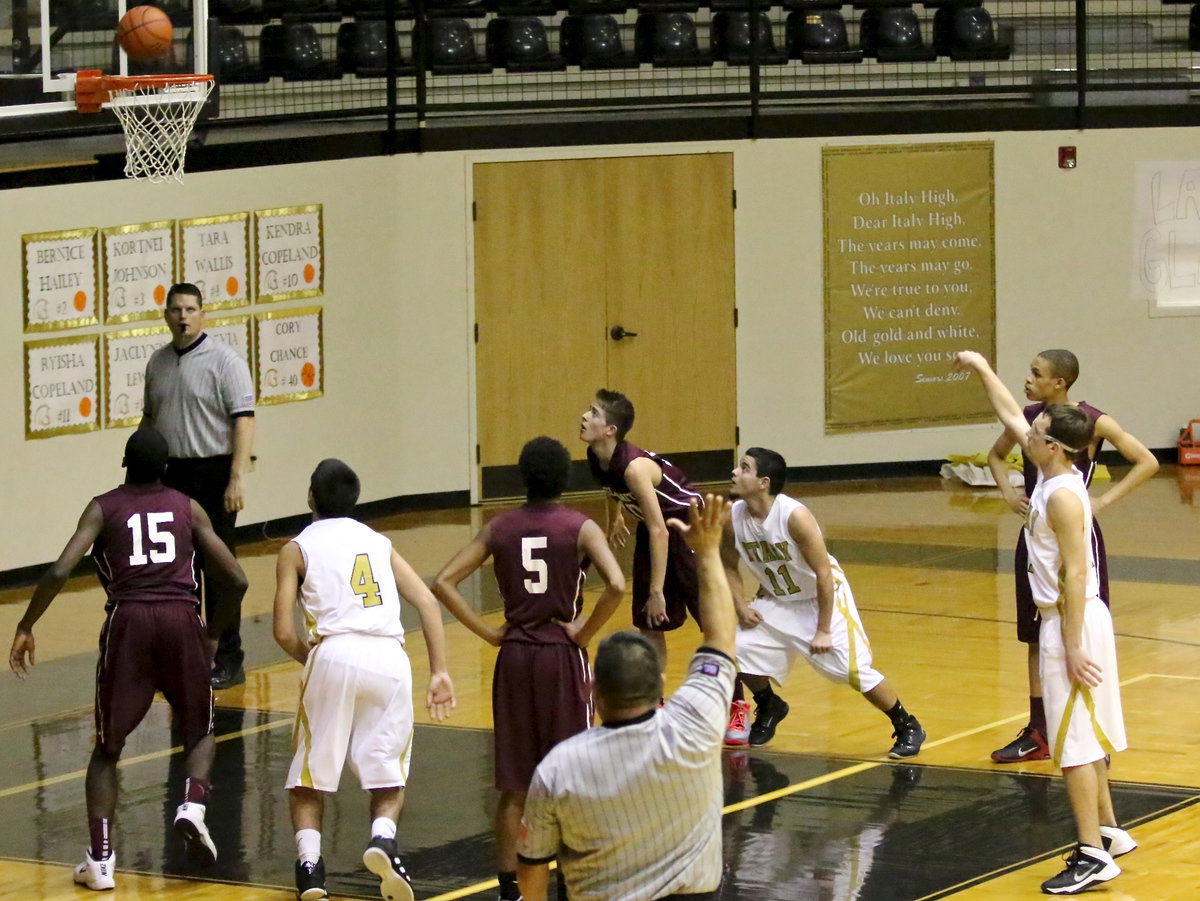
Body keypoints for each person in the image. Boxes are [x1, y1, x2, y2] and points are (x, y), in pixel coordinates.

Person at [7, 427, 248, 891]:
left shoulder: (104, 506)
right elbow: (235, 580)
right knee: (200, 732)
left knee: (108, 749)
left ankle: (100, 861)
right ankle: (192, 806)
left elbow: (60, 568)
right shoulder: (187, 506)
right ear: (165, 467)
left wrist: (26, 624)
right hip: (181, 619)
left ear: (124, 464)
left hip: (128, 624)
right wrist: (213, 634)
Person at [955, 351, 1136, 895]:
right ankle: (1108, 831)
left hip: (1072, 622)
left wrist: (1074, 644)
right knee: (1082, 733)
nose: (1024, 430)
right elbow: (1011, 411)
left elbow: (1078, 575)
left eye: (1034, 430)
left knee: (1073, 746)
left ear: (1052, 446)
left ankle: (1092, 855)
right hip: (1068, 622)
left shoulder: (1062, 497)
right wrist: (982, 369)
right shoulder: (1052, 472)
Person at [432, 436, 626, 901]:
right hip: (561, 656)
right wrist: (583, 631)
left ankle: (509, 890)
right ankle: (572, 884)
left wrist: (488, 632)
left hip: (514, 657)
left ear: (523, 477)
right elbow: (617, 584)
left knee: (515, 785)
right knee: (574, 779)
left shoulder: (499, 527)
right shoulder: (580, 526)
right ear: (565, 479)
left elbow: (442, 581)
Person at [516, 494, 737, 901]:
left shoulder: (558, 767)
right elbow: (721, 635)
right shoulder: (697, 720)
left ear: (594, 692)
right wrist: (707, 552)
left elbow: (532, 867)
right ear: (661, 686)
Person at [273, 459, 456, 901]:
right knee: (387, 772)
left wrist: (315, 662)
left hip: (333, 650)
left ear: (310, 497)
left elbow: (282, 631)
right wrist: (440, 671)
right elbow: (428, 603)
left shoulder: (296, 548)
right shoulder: (379, 542)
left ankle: (311, 869)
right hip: (388, 657)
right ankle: (383, 839)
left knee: (308, 777)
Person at [984, 349, 1157, 764]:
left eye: (1036, 373)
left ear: (1059, 382)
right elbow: (994, 454)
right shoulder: (1031, 418)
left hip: (1072, 527)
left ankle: (1093, 730)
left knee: (1081, 624)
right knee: (1034, 632)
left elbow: (1146, 461)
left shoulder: (1091, 420)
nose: (1028, 380)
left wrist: (1100, 502)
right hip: (1037, 527)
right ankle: (1039, 730)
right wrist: (1009, 494)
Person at [719, 447, 925, 757]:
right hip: (778, 600)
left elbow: (824, 574)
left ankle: (907, 724)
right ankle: (769, 704)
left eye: (744, 468)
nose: (735, 472)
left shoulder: (794, 516)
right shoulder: (732, 517)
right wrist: (739, 605)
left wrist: (824, 629)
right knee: (732, 649)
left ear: (763, 482)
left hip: (822, 599)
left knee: (854, 671)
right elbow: (727, 565)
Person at [142, 281, 256, 690]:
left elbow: (244, 418)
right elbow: (149, 422)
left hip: (214, 472)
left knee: (219, 570)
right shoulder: (156, 363)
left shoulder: (225, 361)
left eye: (191, 309)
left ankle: (228, 655)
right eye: (176, 310)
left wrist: (236, 477)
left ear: (202, 313)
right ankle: (188, 652)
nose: (183, 316)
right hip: (172, 477)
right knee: (178, 571)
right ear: (167, 315)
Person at [581, 389, 703, 672]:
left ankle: (737, 704)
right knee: (649, 622)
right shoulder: (596, 455)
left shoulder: (634, 469)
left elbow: (661, 530)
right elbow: (610, 489)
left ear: (611, 429)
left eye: (594, 413)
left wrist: (657, 591)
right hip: (655, 529)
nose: (585, 417)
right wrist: (616, 518)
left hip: (689, 530)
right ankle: (653, 702)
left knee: (710, 621)